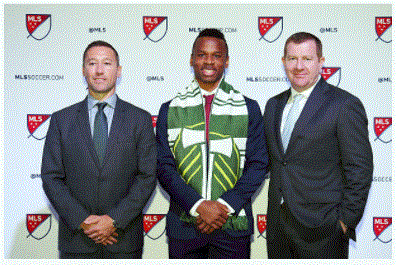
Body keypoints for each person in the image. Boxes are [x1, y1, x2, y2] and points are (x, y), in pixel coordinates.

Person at [156, 28, 268, 259]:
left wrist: (224, 206)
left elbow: (258, 165)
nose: (208, 61)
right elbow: (163, 167)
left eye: (216, 55)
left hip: (232, 227)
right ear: (191, 59)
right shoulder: (169, 110)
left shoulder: (249, 108)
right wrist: (198, 206)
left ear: (226, 61)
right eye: (201, 54)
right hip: (184, 227)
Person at [41, 40, 156, 259]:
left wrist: (113, 221)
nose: (100, 70)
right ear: (84, 70)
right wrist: (85, 222)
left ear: (118, 70)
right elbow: (51, 177)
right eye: (92, 63)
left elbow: (147, 176)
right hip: (77, 241)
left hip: (123, 240)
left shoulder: (139, 119)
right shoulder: (61, 120)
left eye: (107, 63)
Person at [263, 32, 373, 259]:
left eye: (307, 59)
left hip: (323, 230)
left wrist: (344, 221)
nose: (299, 66)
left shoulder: (344, 104)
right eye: (292, 58)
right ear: (283, 62)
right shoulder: (273, 105)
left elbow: (359, 168)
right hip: (277, 228)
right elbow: (275, 162)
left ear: (321, 62)